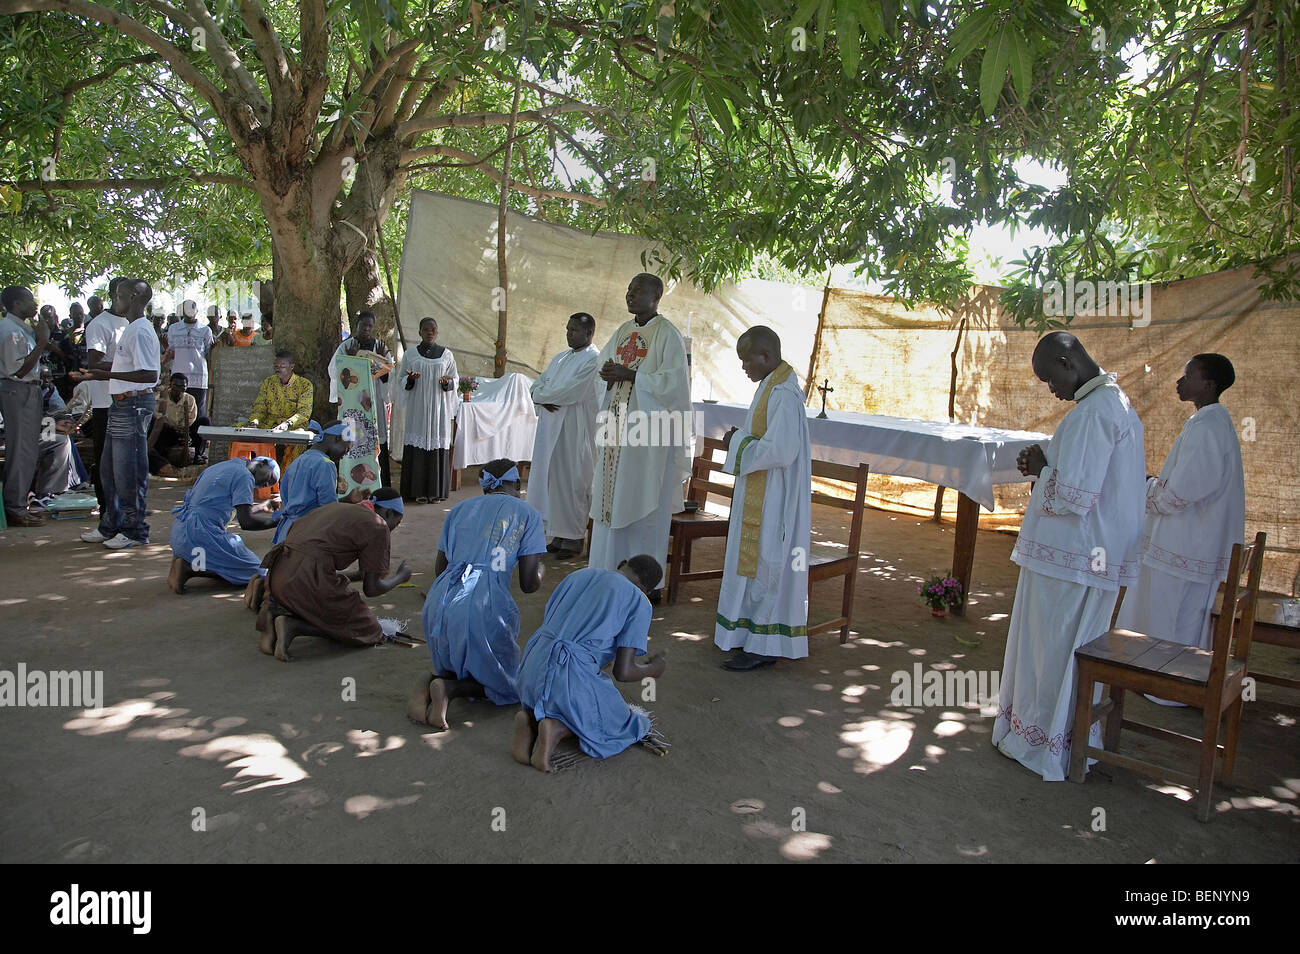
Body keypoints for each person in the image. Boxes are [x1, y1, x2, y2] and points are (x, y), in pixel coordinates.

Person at [994, 332, 1145, 781]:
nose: (1051, 389)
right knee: (1064, 651)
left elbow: (1074, 497)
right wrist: (1045, 461)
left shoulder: (1095, 411)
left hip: (1071, 559)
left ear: (1067, 361)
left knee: (1051, 652)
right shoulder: (1111, 404)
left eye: (1048, 379)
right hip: (1083, 557)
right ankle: (1067, 738)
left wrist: (1042, 469)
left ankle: (1042, 743)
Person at [1116, 355, 1245, 665]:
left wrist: (1146, 485)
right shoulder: (1209, 422)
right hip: (1191, 543)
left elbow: (1178, 494)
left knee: (1170, 616)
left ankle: (1166, 683)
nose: (1180, 382)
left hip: (1185, 544)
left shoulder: (1208, 427)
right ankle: (1165, 678)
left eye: (1189, 377)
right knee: (1180, 617)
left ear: (1209, 385)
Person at [408, 459, 547, 730]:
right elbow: (529, 584)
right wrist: (540, 567)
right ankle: (449, 690)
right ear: (517, 484)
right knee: (507, 684)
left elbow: (441, 568)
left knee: (455, 655)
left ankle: (432, 681)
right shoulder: (527, 514)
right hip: (482, 600)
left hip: (441, 598)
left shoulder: (459, 510)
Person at [714, 327, 813, 671]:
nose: (743, 367)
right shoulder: (770, 385)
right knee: (756, 563)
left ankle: (763, 644)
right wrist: (741, 440)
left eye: (746, 360)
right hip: (762, 486)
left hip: (775, 494)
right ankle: (747, 635)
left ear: (766, 356)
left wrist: (736, 442)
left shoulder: (784, 394)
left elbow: (781, 451)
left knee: (768, 564)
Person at [512, 558, 668, 773]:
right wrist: (654, 670)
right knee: (618, 721)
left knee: (568, 688)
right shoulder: (639, 601)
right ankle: (557, 728)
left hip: (530, 666)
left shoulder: (579, 575)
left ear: (622, 566)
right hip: (566, 674)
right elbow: (623, 672)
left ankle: (529, 718)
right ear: (646, 588)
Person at [588, 274, 692, 595]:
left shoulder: (667, 335)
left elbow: (675, 386)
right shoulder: (623, 331)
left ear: (656, 296)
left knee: (643, 504)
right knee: (612, 501)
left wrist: (632, 375)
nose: (629, 295)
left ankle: (644, 584)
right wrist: (606, 374)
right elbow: (602, 366)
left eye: (637, 291)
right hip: (617, 433)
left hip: (646, 438)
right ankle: (607, 574)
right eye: (628, 290)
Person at [255, 491, 412, 661]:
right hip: (304, 579)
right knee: (368, 629)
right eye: (397, 523)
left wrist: (354, 577)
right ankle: (294, 626)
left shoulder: (340, 508)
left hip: (278, 575)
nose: (393, 529)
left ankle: (274, 614)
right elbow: (372, 589)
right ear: (388, 513)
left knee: (329, 589)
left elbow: (315, 560)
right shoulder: (378, 526)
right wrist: (400, 577)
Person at [73, 278, 161, 548]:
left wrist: (104, 373)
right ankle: (110, 525)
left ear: (133, 297)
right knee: (108, 470)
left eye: (120, 296)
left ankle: (135, 531)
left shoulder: (141, 330)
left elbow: (150, 374)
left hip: (134, 406)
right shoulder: (132, 329)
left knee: (128, 472)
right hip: (120, 405)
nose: (115, 301)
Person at [529, 312, 600, 557]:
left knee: (573, 482)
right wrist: (541, 395)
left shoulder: (593, 360)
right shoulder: (560, 358)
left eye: (574, 330)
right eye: (568, 329)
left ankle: (574, 538)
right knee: (552, 480)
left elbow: (570, 393)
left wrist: (543, 395)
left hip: (574, 431)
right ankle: (558, 534)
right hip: (550, 430)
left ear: (589, 333)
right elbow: (537, 385)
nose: (568, 334)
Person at [167, 456, 281, 593]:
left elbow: (227, 510)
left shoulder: (224, 466)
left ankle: (183, 558)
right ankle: (188, 568)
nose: (265, 484)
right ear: (262, 464)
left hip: (181, 530)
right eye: (270, 478)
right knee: (257, 571)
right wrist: (279, 521)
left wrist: (261, 507)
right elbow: (247, 522)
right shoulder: (245, 477)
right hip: (200, 533)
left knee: (225, 560)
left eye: (269, 485)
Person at [0, 286, 50, 525]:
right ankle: (15, 508)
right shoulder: (10, 331)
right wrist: (42, 342)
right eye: (30, 299)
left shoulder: (22, 329)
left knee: (28, 450)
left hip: (28, 392)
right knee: (20, 450)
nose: (35, 303)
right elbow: (18, 370)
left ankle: (19, 503)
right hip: (17, 391)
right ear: (17, 304)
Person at [394, 316, 457, 503]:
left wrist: (448, 383)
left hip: (438, 409)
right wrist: (411, 379)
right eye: (426, 329)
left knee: (436, 445)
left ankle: (435, 492)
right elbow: (401, 380)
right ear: (420, 332)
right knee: (418, 446)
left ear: (437, 333)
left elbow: (455, 379)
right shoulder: (411, 355)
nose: (430, 333)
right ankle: (417, 492)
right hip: (418, 409)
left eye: (433, 330)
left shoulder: (447, 355)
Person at [81, 278, 130, 511]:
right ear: (115, 295)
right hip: (106, 402)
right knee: (106, 457)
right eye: (128, 294)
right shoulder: (100, 324)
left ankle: (124, 505)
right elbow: (95, 363)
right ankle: (106, 508)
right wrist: (132, 369)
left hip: (130, 400)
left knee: (126, 459)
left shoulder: (133, 323)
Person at [329, 311, 394, 486]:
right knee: (352, 439)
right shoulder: (346, 346)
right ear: (356, 324)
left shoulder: (380, 346)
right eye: (363, 325)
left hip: (372, 401)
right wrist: (349, 358)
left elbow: (389, 375)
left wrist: (382, 362)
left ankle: (379, 483)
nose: (366, 328)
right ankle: (350, 482)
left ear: (374, 327)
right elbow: (334, 373)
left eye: (370, 326)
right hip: (352, 403)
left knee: (374, 438)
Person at [271, 420, 353, 545]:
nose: (343, 456)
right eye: (346, 449)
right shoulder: (326, 464)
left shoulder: (298, 461)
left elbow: (286, 495)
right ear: (337, 439)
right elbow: (328, 507)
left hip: (287, 531)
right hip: (308, 532)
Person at [239, 349, 313, 469]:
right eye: (276, 366)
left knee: (297, 442)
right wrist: (254, 421)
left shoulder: (305, 385)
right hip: (269, 423)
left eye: (282, 366)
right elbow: (260, 406)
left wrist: (287, 423)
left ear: (291, 366)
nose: (278, 369)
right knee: (239, 433)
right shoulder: (268, 382)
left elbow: (304, 412)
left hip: (293, 426)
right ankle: (250, 474)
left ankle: (285, 480)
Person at [164, 300, 214, 457]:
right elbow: (171, 352)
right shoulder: (173, 329)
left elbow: (208, 354)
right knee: (174, 414)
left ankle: (198, 453)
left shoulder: (205, 330)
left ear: (197, 310)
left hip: (199, 380)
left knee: (198, 417)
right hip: (178, 379)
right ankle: (176, 449)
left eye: (192, 308)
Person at [148, 373, 202, 476]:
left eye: (183, 387)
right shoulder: (160, 398)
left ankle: (197, 456)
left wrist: (184, 428)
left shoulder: (190, 399)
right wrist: (171, 425)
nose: (179, 390)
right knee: (158, 426)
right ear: (170, 385)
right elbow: (156, 415)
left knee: (204, 421)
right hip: (167, 429)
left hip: (184, 429)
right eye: (176, 386)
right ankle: (162, 460)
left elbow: (192, 416)